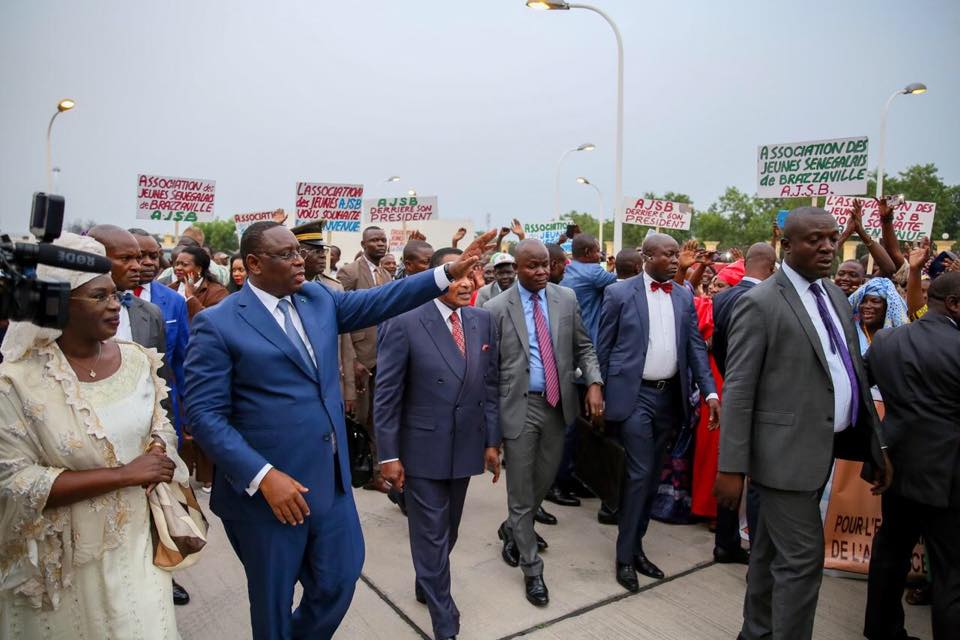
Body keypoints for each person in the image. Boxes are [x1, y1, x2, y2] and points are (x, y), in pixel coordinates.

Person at [184, 221, 495, 639]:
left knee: (339, 581)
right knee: (273, 604)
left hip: (330, 484)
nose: (301, 259)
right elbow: (204, 415)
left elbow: (384, 298)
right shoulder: (218, 324)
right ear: (254, 263)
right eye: (287, 254)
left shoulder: (317, 299)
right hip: (270, 496)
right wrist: (262, 477)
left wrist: (446, 273)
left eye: (300, 251)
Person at [715, 207, 891, 640]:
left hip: (821, 449)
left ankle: (755, 632)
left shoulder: (831, 294)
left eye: (832, 238)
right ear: (787, 246)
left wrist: (877, 445)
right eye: (816, 239)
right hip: (781, 457)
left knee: (770, 554)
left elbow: (851, 370)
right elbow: (739, 390)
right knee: (802, 560)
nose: (828, 247)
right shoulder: (760, 303)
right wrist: (731, 467)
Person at [0, 233, 187, 639]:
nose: (115, 304)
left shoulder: (138, 361)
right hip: (62, 561)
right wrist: (126, 474)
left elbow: (160, 424)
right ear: (58, 303)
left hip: (138, 547)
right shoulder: (17, 381)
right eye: (99, 296)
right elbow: (14, 483)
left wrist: (158, 447)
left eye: (115, 294)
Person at [374, 247, 501, 640]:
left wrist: (492, 442)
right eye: (458, 275)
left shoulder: (482, 321)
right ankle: (445, 618)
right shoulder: (405, 321)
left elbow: (491, 387)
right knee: (430, 532)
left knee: (449, 531)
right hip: (421, 448)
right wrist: (389, 455)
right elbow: (387, 395)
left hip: (465, 446)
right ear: (439, 277)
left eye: (473, 274)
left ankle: (425, 579)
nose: (466, 284)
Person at [596, 233, 719, 592]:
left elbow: (695, 347)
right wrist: (597, 392)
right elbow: (603, 347)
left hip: (670, 399)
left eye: (676, 254)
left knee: (652, 478)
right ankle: (624, 557)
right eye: (667, 254)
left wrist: (710, 390)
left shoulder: (682, 295)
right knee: (640, 472)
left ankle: (636, 546)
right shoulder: (619, 293)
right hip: (634, 396)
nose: (674, 259)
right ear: (647, 256)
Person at [485, 239, 603, 607]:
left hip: (558, 405)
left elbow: (584, 346)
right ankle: (532, 569)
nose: (540, 272)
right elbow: (487, 373)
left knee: (543, 481)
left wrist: (594, 383)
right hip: (518, 407)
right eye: (532, 266)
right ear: (515, 268)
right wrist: (490, 432)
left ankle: (512, 529)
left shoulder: (565, 298)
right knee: (521, 492)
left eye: (545, 265)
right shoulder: (494, 308)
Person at [863, 272, 960, 640]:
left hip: (896, 466)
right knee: (953, 570)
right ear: (952, 303)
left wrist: (878, 446)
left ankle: (881, 630)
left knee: (891, 551)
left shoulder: (888, 339)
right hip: (949, 474)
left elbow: (857, 395)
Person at [710, 243, 777, 563]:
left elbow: (718, 348)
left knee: (731, 464)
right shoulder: (769, 300)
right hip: (762, 398)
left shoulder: (721, 299)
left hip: (729, 389)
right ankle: (753, 545)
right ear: (773, 268)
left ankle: (725, 541)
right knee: (755, 478)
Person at [338, 225, 392, 492]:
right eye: (374, 240)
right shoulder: (349, 272)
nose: (380, 244)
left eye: (383, 239)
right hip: (361, 357)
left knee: (379, 416)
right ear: (363, 244)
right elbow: (341, 317)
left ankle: (376, 472)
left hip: (384, 354)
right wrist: (352, 360)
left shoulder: (385, 273)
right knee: (361, 415)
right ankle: (361, 470)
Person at [293, 221, 357, 415]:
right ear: (299, 254)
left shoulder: (334, 288)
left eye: (323, 250)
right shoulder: (284, 289)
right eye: (315, 251)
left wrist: (349, 391)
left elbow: (344, 343)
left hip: (331, 381)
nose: (323, 255)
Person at [560, 234, 617, 343]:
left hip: (565, 337)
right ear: (587, 252)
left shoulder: (566, 268)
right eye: (597, 251)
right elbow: (622, 281)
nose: (600, 255)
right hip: (587, 338)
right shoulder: (594, 271)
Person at [848, 278, 909, 355]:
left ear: (888, 306)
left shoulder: (896, 337)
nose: (867, 306)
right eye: (863, 301)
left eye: (875, 301)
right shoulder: (850, 329)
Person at [170, 245, 230, 319]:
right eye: (177, 264)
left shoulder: (218, 292)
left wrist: (190, 297)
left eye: (184, 265)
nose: (178, 268)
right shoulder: (169, 289)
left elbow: (212, 321)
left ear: (199, 269)